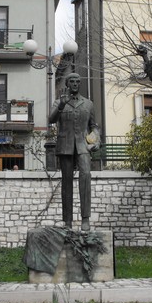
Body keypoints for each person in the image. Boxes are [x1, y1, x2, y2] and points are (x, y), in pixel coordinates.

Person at [49, 73, 99, 231]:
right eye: (72, 81)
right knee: (67, 183)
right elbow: (50, 119)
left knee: (85, 177)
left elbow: (94, 126)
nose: (76, 84)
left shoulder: (88, 104)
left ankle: (85, 219)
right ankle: (68, 222)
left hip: (83, 146)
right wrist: (61, 106)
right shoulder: (59, 102)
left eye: (78, 81)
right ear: (67, 83)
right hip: (65, 146)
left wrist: (96, 139)